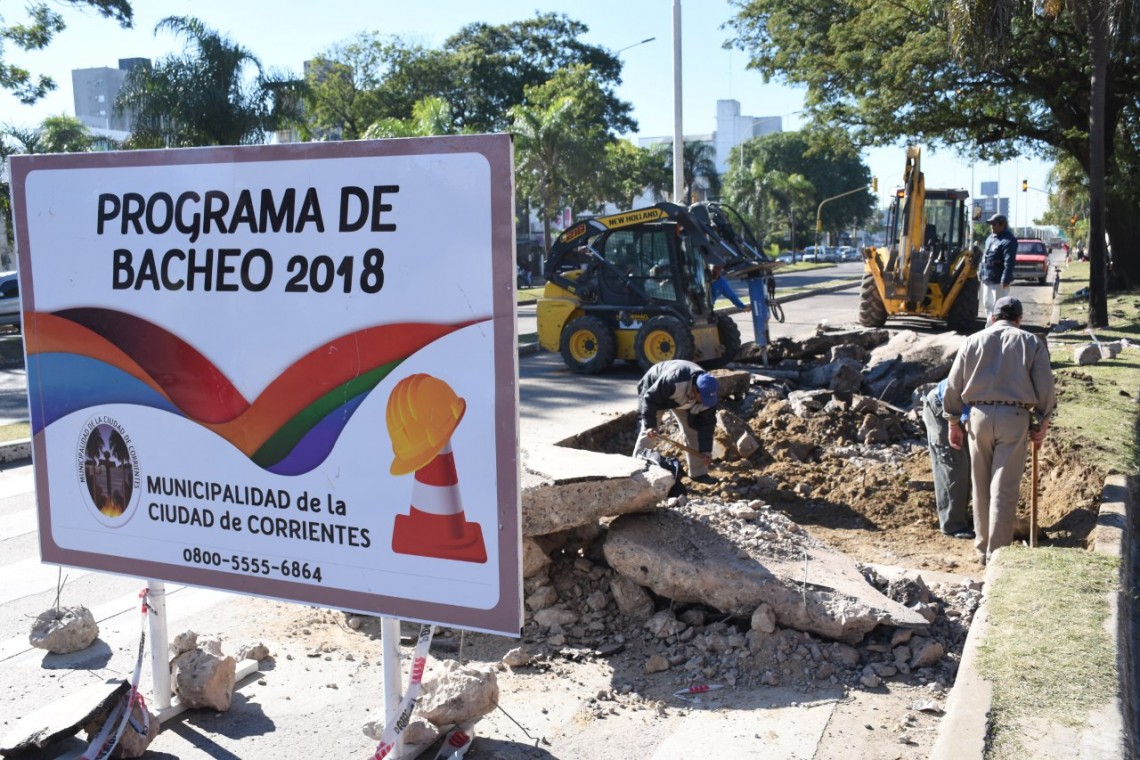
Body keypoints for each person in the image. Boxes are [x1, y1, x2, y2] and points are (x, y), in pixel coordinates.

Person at [942, 296, 1056, 565]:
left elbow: (953, 384)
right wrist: (1043, 421)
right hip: (1014, 417)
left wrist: (953, 422)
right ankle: (997, 554)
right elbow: (1045, 386)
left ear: (992, 317)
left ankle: (982, 549)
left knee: (980, 486)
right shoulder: (1030, 342)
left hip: (978, 417)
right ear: (1019, 319)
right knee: (1003, 488)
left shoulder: (972, 341)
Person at [633, 360, 719, 483]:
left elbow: (706, 425)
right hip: (654, 394)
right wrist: (650, 425)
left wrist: (706, 450)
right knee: (649, 434)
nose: (706, 402)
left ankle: (698, 473)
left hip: (682, 399)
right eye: (703, 398)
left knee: (693, 431)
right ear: (695, 389)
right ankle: (636, 471)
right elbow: (649, 399)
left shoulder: (709, 397)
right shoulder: (674, 380)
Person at [922, 379, 973, 538]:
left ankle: (964, 516)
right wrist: (955, 423)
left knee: (970, 463)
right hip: (942, 406)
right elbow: (955, 391)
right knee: (954, 464)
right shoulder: (983, 369)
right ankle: (952, 525)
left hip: (961, 409)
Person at [979, 213, 1018, 314]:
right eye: (991, 224)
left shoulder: (1008, 240)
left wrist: (1005, 278)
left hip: (999, 280)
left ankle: (996, 323)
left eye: (994, 224)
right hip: (987, 277)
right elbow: (985, 257)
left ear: (1002, 224)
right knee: (987, 303)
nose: (991, 226)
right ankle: (990, 323)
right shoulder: (990, 238)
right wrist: (981, 271)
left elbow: (1009, 261)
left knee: (998, 305)